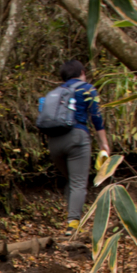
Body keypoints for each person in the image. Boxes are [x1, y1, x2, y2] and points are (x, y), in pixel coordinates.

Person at [45, 59, 111, 231]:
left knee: (72, 181)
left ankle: (72, 217)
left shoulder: (56, 92)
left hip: (54, 142)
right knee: (78, 183)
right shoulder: (87, 89)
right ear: (82, 73)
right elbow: (96, 116)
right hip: (77, 138)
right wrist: (104, 144)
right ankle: (73, 225)